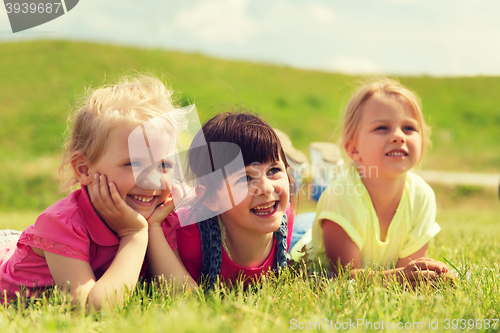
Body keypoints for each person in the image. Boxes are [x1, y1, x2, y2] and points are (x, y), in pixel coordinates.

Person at [0, 74, 194, 308]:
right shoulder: (62, 223)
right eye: (134, 164)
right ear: (84, 169)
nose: (153, 181)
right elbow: (94, 309)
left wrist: (152, 228)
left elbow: (186, 299)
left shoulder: (157, 216)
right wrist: (134, 234)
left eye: (164, 165)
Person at [290, 78, 450, 286]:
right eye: (382, 128)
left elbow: (409, 275)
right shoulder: (341, 194)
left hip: (327, 219)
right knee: (287, 226)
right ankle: (287, 166)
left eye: (409, 128)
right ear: (353, 149)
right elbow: (345, 277)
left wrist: (424, 276)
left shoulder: (423, 195)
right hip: (300, 240)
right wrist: (403, 277)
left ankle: (319, 176)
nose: (399, 136)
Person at [174, 111, 295, 287]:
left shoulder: (286, 217)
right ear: (212, 198)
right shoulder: (188, 241)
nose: (267, 188)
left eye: (274, 170)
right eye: (245, 178)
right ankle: (182, 195)